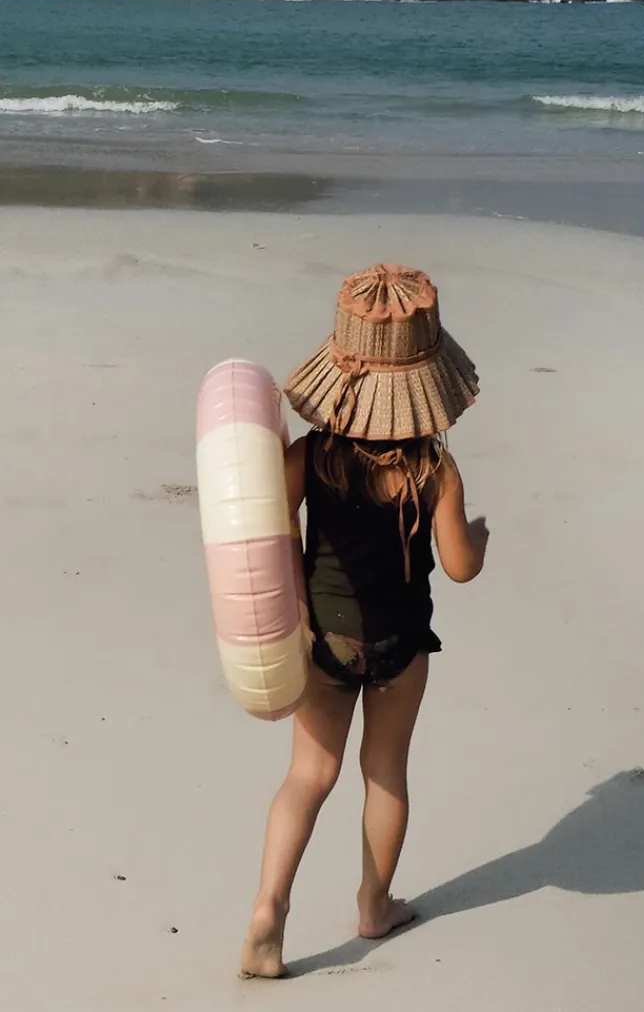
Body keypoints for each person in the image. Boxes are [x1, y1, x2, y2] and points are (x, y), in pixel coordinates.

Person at [239, 264, 487, 979]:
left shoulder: (312, 454)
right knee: (385, 773)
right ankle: (375, 907)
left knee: (308, 774)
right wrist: (477, 537)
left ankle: (268, 910)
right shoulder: (435, 470)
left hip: (324, 639)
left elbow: (267, 524)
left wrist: (289, 595)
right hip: (399, 645)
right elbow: (460, 566)